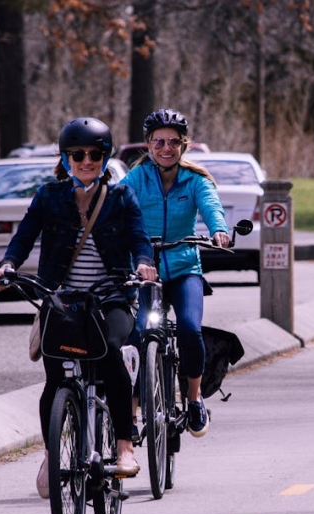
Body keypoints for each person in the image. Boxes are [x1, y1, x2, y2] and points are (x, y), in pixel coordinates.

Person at [0, 117, 157, 498]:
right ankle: (52, 452)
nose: (86, 161)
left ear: (105, 157)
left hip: (110, 296)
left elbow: (139, 238)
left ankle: (124, 447)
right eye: (77, 155)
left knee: (110, 352)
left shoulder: (120, 198)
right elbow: (24, 237)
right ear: (65, 159)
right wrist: (8, 267)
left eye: (94, 155)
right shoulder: (49, 197)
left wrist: (144, 263)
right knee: (56, 379)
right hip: (61, 300)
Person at [120, 108, 229, 438]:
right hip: (145, 271)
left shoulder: (196, 180)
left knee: (189, 330)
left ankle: (193, 400)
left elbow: (212, 207)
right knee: (137, 334)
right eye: (158, 142)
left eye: (173, 142)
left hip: (184, 269)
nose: (166, 148)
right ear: (149, 145)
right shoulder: (135, 179)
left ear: (184, 145)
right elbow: (116, 206)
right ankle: (133, 412)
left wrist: (219, 230)